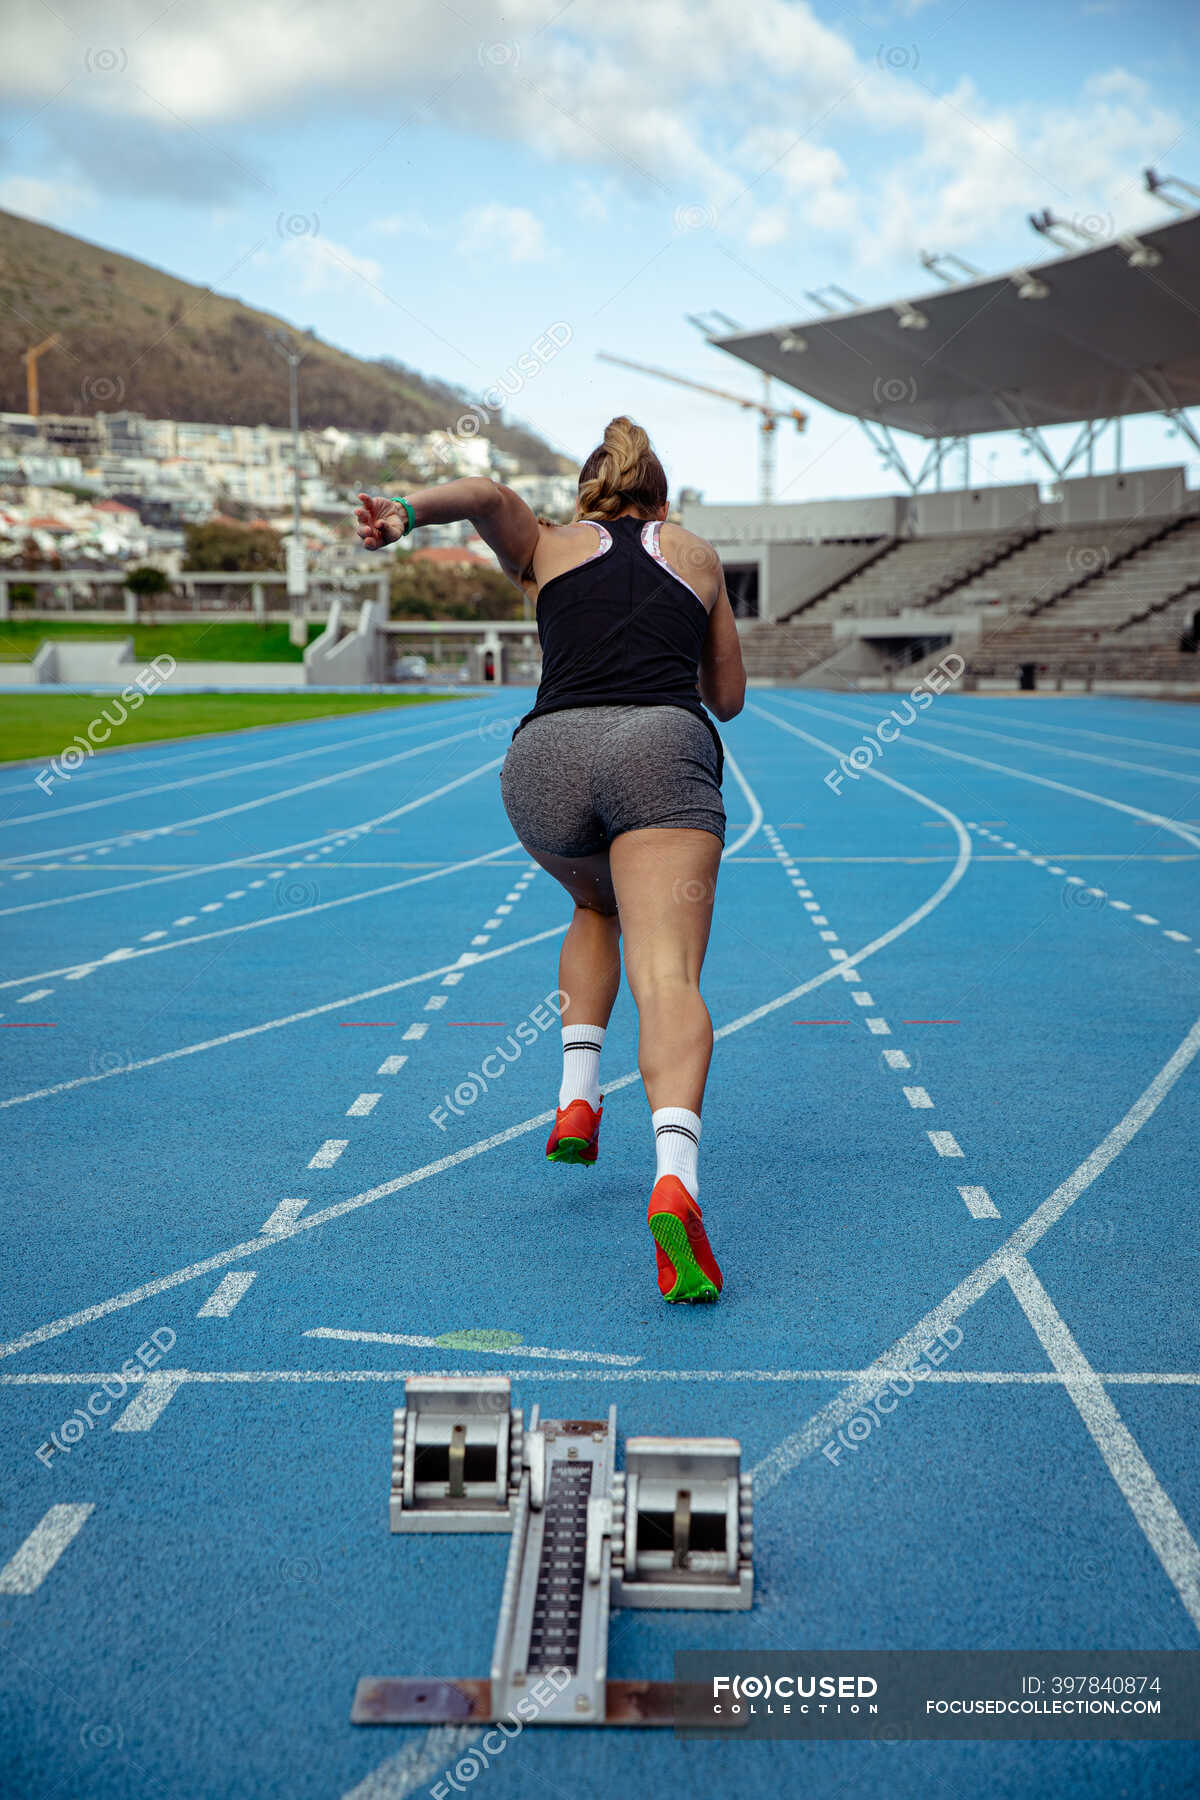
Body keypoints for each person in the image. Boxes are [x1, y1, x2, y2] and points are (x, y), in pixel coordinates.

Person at [354, 415, 746, 1303]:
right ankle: (674, 1180)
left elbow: (488, 496)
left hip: (542, 764)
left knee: (596, 904)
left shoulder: (545, 548)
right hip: (659, 747)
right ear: (663, 499)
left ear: (584, 496)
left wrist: (404, 514)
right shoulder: (697, 553)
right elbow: (727, 700)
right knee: (669, 976)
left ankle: (578, 1095)